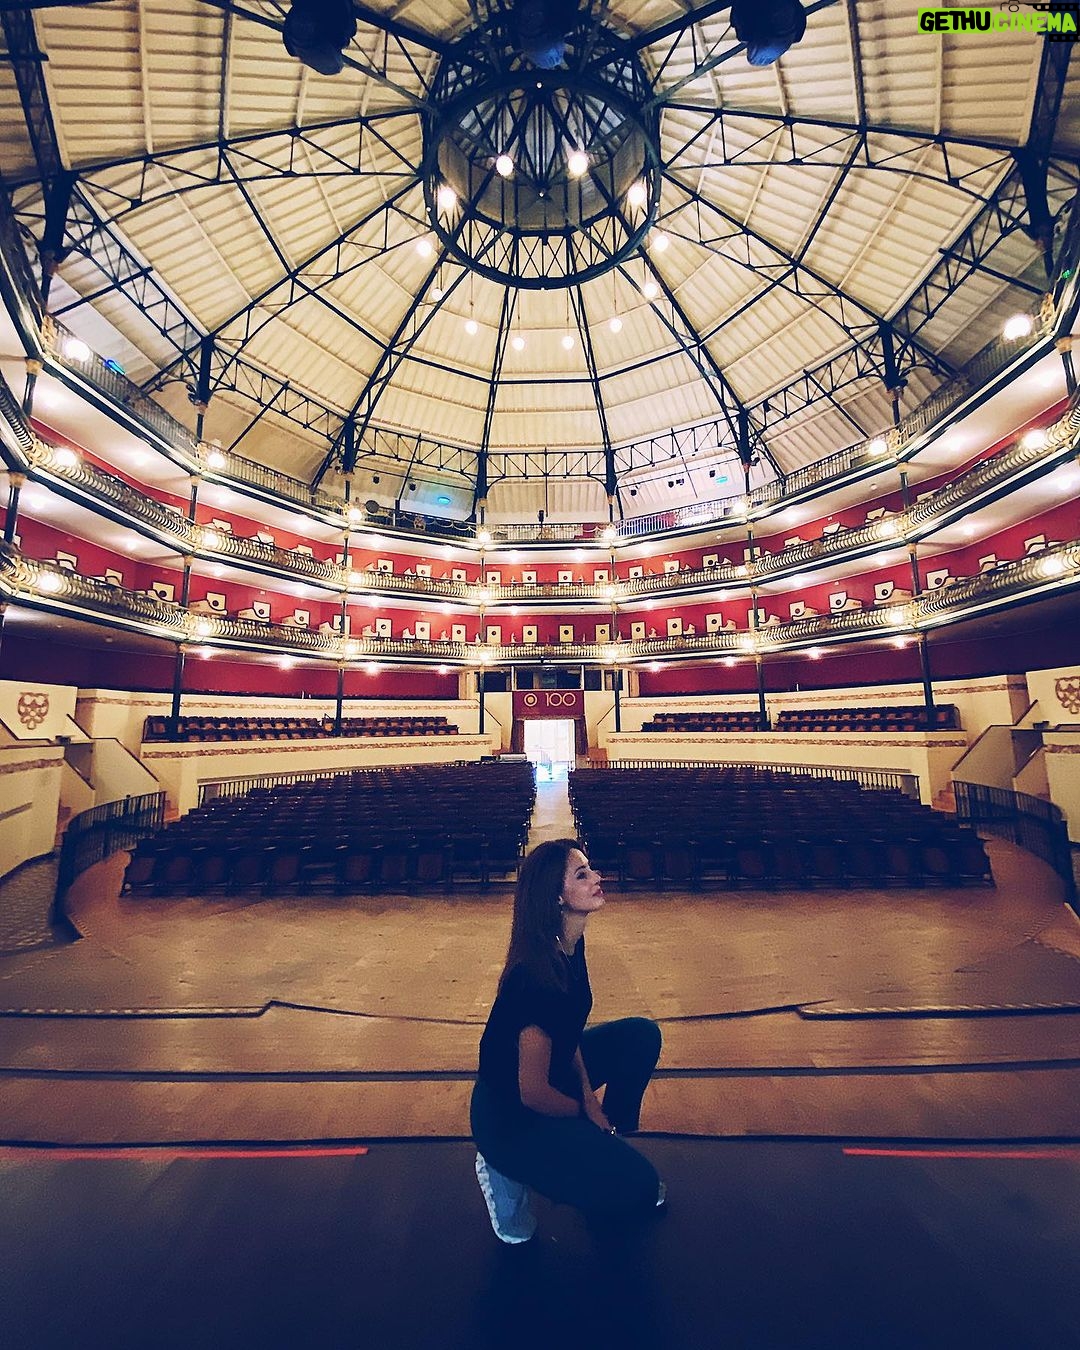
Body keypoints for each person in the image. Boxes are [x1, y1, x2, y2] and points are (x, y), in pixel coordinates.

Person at [471, 838, 664, 1243]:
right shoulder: (534, 978)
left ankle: (607, 1144)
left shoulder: (569, 944)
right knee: (641, 1191)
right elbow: (532, 1093)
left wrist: (592, 1103)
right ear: (556, 897)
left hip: (551, 1080)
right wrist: (582, 1113)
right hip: (509, 1117)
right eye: (582, 874)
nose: (597, 877)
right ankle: (501, 1168)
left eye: (591, 869)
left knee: (640, 1036)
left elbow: (568, 1031)